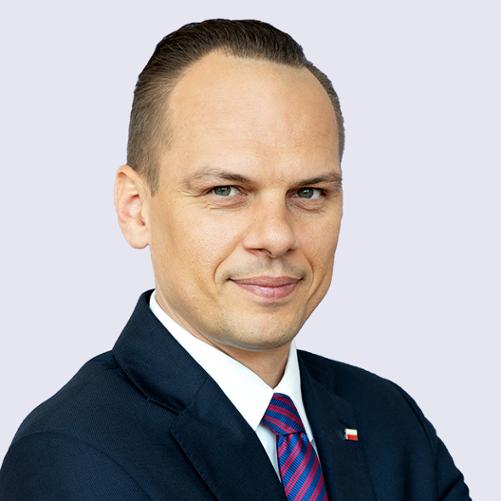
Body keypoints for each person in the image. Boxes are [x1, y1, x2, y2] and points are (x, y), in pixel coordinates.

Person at [0, 18, 471, 501]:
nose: (277, 236)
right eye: (225, 190)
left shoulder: (389, 421)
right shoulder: (74, 455)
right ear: (136, 209)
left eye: (309, 192)